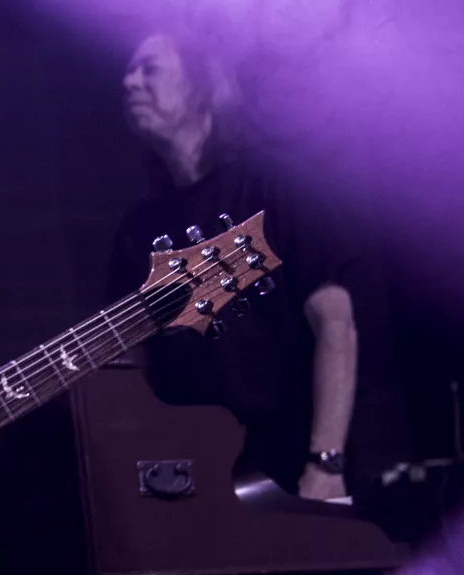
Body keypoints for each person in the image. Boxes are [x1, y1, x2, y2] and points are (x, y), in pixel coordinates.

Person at [108, 32, 398, 504]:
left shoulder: (274, 185)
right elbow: (132, 361)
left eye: (150, 70)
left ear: (202, 84)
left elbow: (336, 324)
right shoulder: (139, 226)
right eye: (128, 71)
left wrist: (325, 461)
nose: (129, 82)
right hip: (201, 477)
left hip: (297, 464)